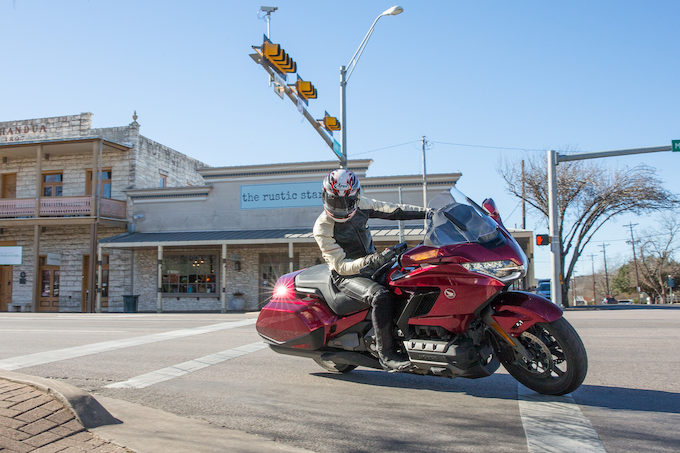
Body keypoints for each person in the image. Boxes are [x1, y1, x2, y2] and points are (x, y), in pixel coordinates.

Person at [313, 169, 427, 371]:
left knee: (411, 279)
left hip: (373, 265)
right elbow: (340, 266)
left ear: (356, 197)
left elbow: (394, 210)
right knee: (380, 296)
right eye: (335, 201)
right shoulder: (323, 226)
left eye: (346, 202)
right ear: (325, 196)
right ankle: (387, 355)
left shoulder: (363, 205)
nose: (341, 208)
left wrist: (428, 212)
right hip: (347, 276)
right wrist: (372, 260)